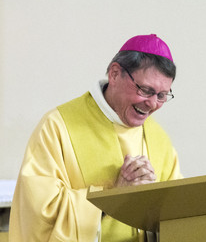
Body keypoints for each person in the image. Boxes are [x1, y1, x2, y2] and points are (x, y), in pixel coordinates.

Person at [9, 34, 182, 242]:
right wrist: (113, 197)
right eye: (146, 90)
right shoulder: (58, 126)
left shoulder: (157, 137)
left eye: (162, 95)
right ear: (115, 74)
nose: (153, 104)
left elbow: (176, 213)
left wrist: (152, 200)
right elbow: (39, 211)